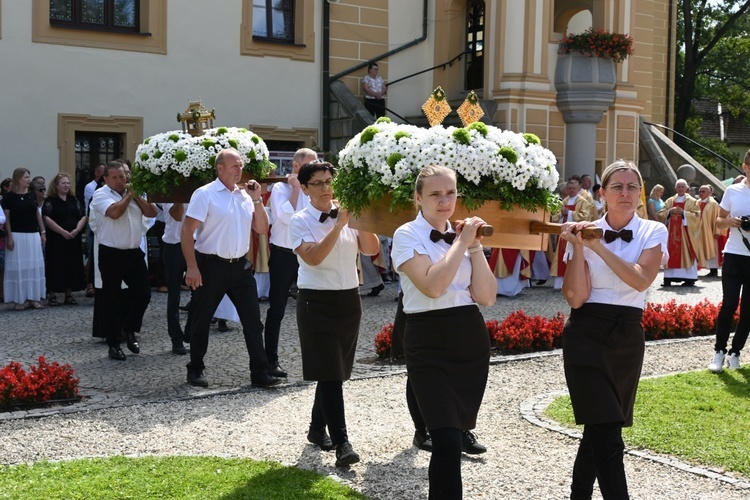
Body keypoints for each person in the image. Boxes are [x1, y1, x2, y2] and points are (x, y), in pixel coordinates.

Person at [559, 160, 668, 500]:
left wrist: (596, 246)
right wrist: (578, 247)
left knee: (600, 427)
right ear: (602, 193)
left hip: (626, 337)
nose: (625, 193)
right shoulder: (584, 232)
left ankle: (579, 494)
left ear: (639, 194)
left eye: (632, 186)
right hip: (585, 334)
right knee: (607, 432)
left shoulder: (653, 231)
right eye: (617, 187)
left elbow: (640, 278)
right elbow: (576, 298)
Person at [391, 165, 496, 499]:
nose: (444, 200)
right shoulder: (407, 234)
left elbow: (487, 296)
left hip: (469, 339)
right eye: (435, 194)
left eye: (450, 193)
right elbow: (433, 287)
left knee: (456, 436)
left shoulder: (463, 237)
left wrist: (475, 248)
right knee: (447, 442)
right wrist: (462, 242)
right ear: (418, 198)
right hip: (428, 339)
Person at [289, 160, 379, 468]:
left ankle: (317, 429)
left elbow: (371, 250)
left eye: (329, 181)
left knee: (333, 370)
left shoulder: (347, 212)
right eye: (318, 183)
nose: (327, 188)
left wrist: (360, 220)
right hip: (316, 302)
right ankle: (342, 442)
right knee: (330, 373)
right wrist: (338, 225)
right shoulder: (299, 220)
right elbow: (313, 258)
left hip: (348, 300)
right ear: (305, 188)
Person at [181, 148, 279, 389]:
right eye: (234, 165)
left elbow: (262, 228)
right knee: (201, 320)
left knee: (253, 321)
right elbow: (186, 231)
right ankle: (195, 368)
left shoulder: (245, 196)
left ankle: (260, 372)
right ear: (220, 168)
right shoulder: (205, 194)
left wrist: (257, 199)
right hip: (211, 265)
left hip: (240, 267)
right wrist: (192, 267)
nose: (240, 169)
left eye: (241, 165)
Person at [91, 161, 157, 360]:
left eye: (123, 176)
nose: (121, 181)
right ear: (106, 179)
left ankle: (130, 329)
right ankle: (113, 344)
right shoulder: (101, 194)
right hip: (111, 253)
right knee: (112, 299)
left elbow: (153, 212)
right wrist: (130, 196)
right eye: (115, 177)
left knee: (144, 294)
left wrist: (136, 196)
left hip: (133, 252)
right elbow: (114, 213)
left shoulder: (135, 194)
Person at [264, 147, 316, 378]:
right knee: (277, 307)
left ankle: (316, 359)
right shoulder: (280, 188)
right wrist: (295, 189)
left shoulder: (313, 189)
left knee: (314, 305)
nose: (314, 169)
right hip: (285, 253)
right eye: (309, 164)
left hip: (308, 252)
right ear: (295, 167)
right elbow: (287, 217)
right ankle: (270, 359)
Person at [708, 150, 750, 373]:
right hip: (734, 254)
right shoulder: (733, 190)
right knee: (729, 304)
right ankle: (719, 352)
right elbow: (717, 221)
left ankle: (736, 353)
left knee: (748, 311)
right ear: (745, 166)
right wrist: (731, 221)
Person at [1, 168, 46, 310]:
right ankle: (19, 299)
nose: (29, 180)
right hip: (17, 234)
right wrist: (9, 236)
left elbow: (37, 214)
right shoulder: (9, 197)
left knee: (34, 266)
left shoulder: (31, 195)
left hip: (32, 234)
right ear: (19, 179)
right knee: (18, 266)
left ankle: (34, 298)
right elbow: (7, 219)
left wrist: (42, 232)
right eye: (26, 177)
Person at [42, 173, 86, 306]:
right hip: (57, 239)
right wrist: (62, 232)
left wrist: (77, 230)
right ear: (56, 185)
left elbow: (83, 216)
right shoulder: (50, 201)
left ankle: (69, 294)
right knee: (55, 264)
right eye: (63, 183)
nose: (66, 185)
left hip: (73, 238)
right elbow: (46, 218)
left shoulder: (74, 200)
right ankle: (52, 294)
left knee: (71, 264)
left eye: (68, 183)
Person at [550, 179, 597, 289]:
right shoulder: (564, 201)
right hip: (563, 234)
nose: (571, 190)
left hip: (576, 234)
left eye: (573, 188)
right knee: (561, 256)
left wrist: (570, 213)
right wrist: (561, 214)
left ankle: (573, 281)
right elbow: (556, 216)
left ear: (578, 189)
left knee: (574, 256)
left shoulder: (582, 201)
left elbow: (586, 216)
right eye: (569, 188)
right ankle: (559, 282)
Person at [658, 179, 701, 286]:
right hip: (671, 233)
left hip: (685, 234)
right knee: (671, 253)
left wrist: (684, 213)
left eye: (683, 187)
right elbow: (660, 213)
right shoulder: (669, 200)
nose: (681, 188)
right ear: (675, 188)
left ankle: (689, 279)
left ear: (687, 188)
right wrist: (669, 212)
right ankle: (669, 278)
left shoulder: (692, 201)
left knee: (687, 252)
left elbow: (696, 215)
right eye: (679, 186)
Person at [162, 202, 188, 355]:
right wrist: (181, 195)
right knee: (174, 295)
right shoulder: (169, 190)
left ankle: (191, 331)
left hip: (195, 243)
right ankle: (176, 338)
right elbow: (177, 215)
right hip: (174, 245)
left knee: (199, 292)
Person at [696, 184, 723, 277]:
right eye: (700, 191)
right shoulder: (697, 202)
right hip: (698, 230)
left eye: (703, 191)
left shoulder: (713, 204)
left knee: (712, 248)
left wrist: (717, 230)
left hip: (709, 231)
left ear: (709, 193)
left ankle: (713, 269)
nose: (700, 193)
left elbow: (718, 217)